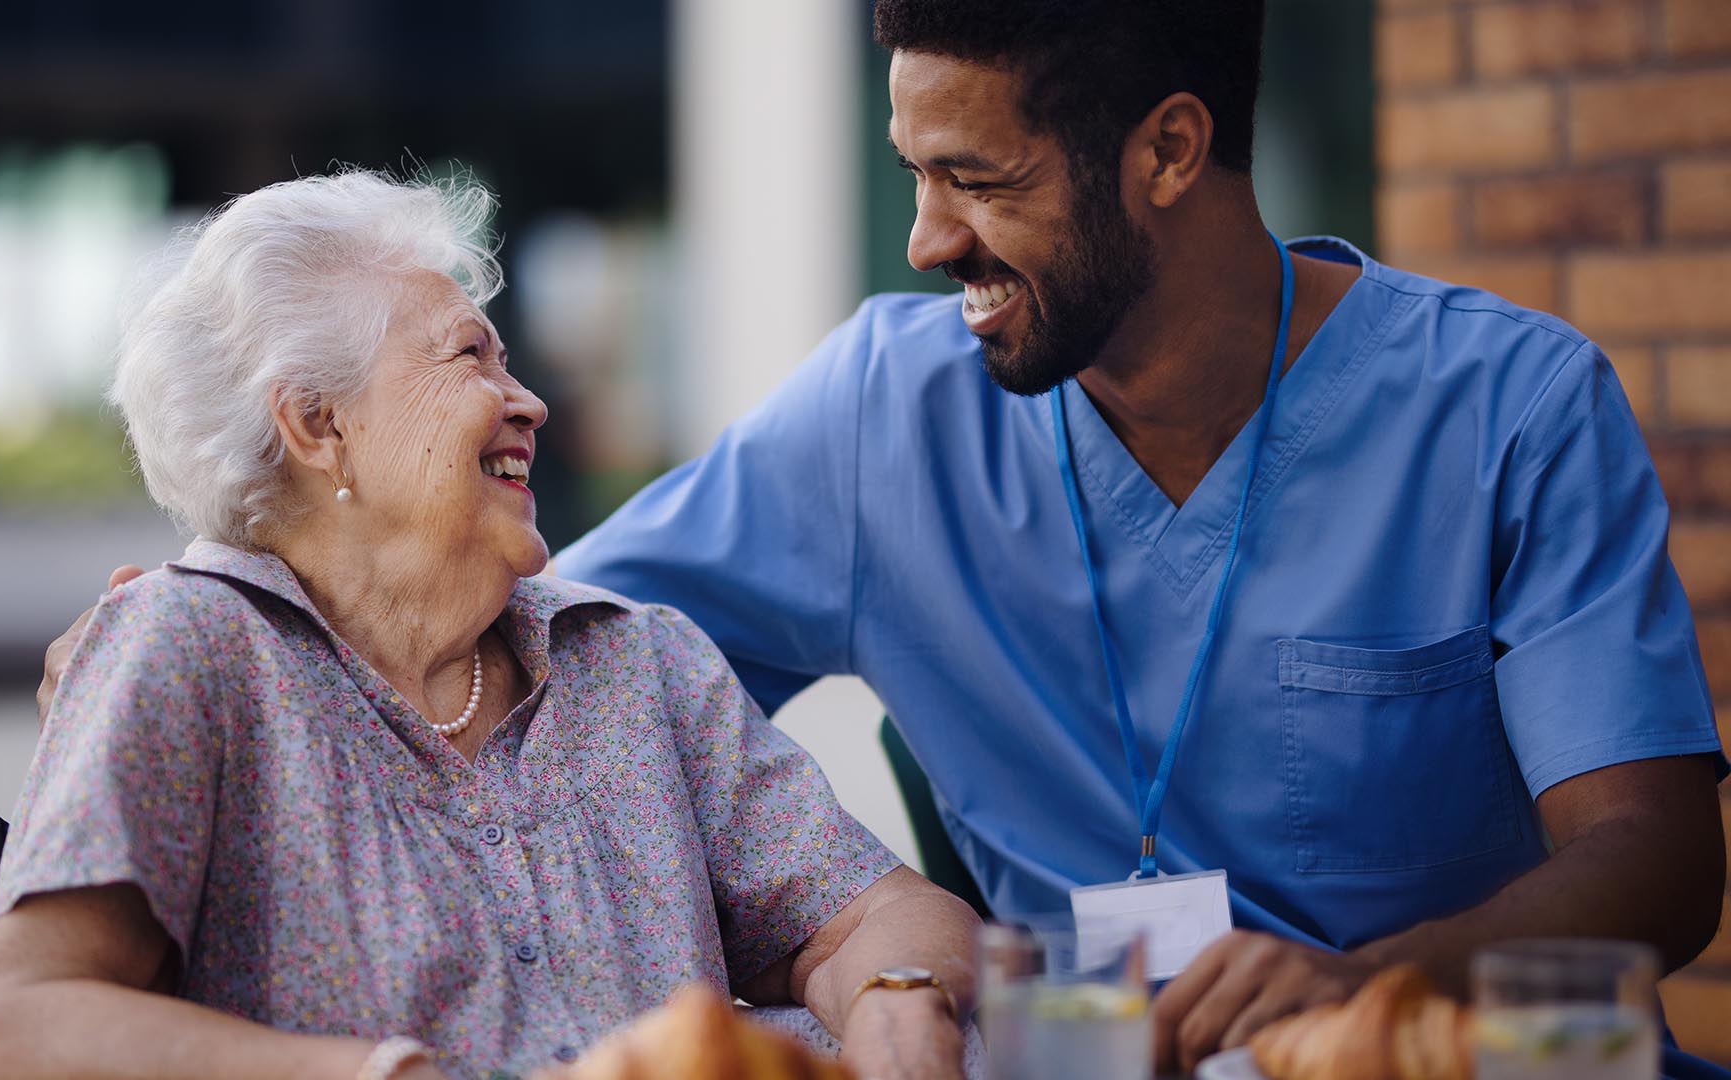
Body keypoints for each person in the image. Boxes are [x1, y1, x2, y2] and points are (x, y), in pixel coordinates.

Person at [549, 1, 1727, 1074]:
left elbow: (1658, 862)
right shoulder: (877, 423)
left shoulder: (1512, 408)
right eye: (914, 174)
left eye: (978, 179)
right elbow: (547, 660)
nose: (926, 239)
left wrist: (1375, 980)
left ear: (1168, 150)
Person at [0, 172, 977, 1080]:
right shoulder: (190, 649)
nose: (526, 400)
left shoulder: (635, 660)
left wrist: (896, 1004)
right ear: (317, 424)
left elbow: (881, 914)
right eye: (469, 359)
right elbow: (10, 1028)